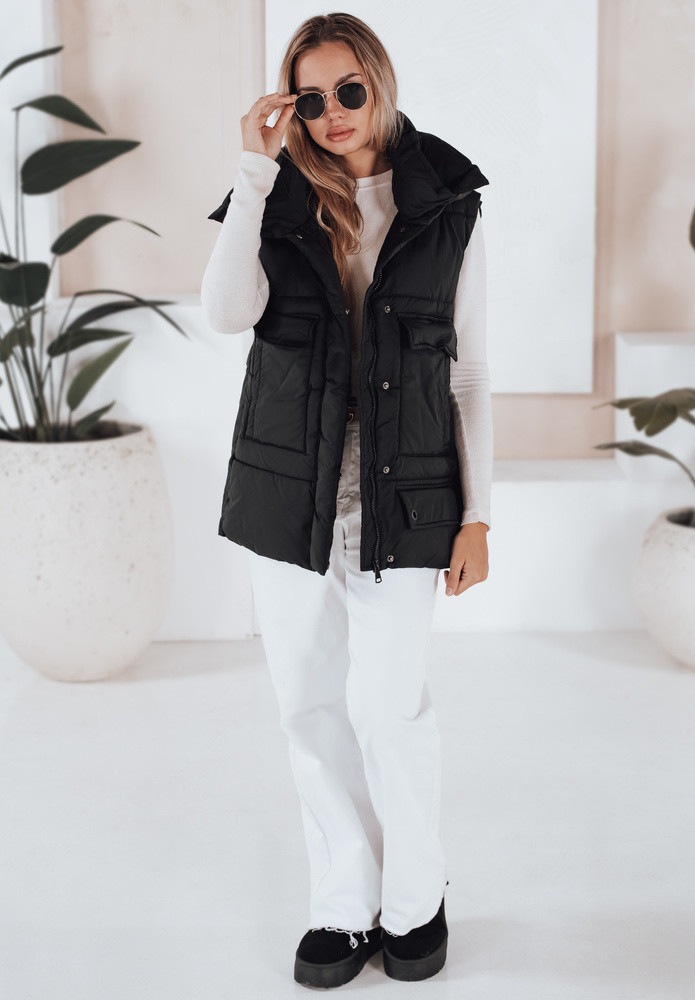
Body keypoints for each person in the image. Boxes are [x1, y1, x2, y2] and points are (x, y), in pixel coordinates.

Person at [201, 12, 492, 990]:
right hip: (288, 489)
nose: (332, 113)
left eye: (349, 91)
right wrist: (253, 171)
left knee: (389, 709)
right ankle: (342, 901)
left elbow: (470, 372)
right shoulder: (277, 198)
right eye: (311, 97)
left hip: (406, 492)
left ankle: (414, 900)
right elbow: (225, 313)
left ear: (380, 82)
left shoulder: (447, 202)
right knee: (308, 705)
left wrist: (478, 514)